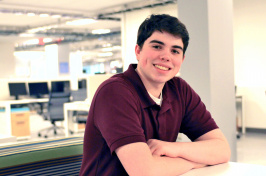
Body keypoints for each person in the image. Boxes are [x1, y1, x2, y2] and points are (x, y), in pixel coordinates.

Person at [79, 14, 231, 176]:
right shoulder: (115, 92)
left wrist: (171, 148)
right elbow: (144, 172)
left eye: (175, 51)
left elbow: (222, 150)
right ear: (138, 51)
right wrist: (196, 161)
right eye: (157, 47)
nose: (166, 56)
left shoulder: (179, 90)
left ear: (182, 59)